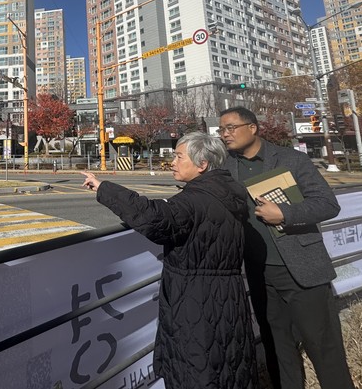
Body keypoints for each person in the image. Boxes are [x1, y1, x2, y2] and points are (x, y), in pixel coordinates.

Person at [81, 132, 259, 389]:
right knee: (229, 366)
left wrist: (104, 188)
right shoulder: (229, 192)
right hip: (229, 296)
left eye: (178, 157)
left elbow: (154, 218)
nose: (172, 163)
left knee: (197, 370)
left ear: (202, 164)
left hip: (196, 301)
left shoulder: (194, 200)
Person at [218, 106, 355, 389]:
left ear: (252, 128)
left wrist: (285, 214)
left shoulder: (292, 159)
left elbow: (328, 204)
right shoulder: (226, 169)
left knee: (324, 347)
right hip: (259, 273)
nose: (225, 134)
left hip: (302, 269)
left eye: (231, 128)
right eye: (222, 130)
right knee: (277, 347)